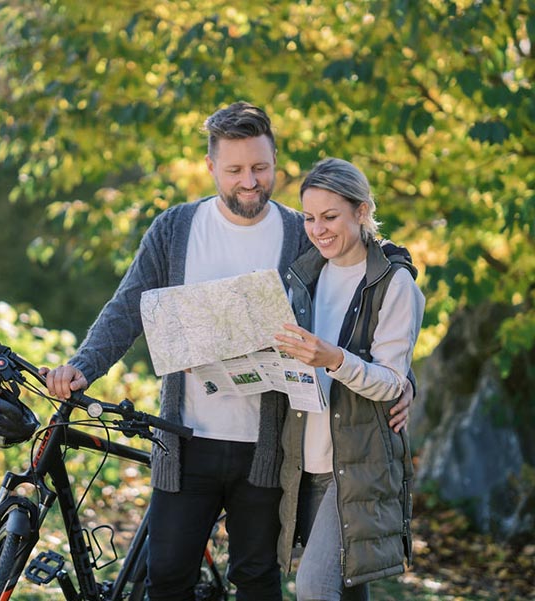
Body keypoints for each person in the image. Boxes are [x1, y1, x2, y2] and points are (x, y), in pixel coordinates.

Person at [42, 102, 413, 601]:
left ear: (275, 163)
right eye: (235, 169)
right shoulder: (175, 229)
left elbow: (367, 265)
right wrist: (83, 365)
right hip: (184, 439)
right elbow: (127, 308)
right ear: (211, 166)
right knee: (167, 578)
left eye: (261, 168)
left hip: (269, 449)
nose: (250, 181)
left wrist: (404, 380)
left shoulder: (298, 233)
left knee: (257, 580)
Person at [274, 158, 424, 600]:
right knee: (346, 588)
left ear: (362, 211)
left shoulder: (394, 284)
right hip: (306, 459)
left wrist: (334, 359)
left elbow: (393, 382)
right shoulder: (303, 277)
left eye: (330, 216)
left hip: (357, 463)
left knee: (315, 587)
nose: (318, 229)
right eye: (310, 218)